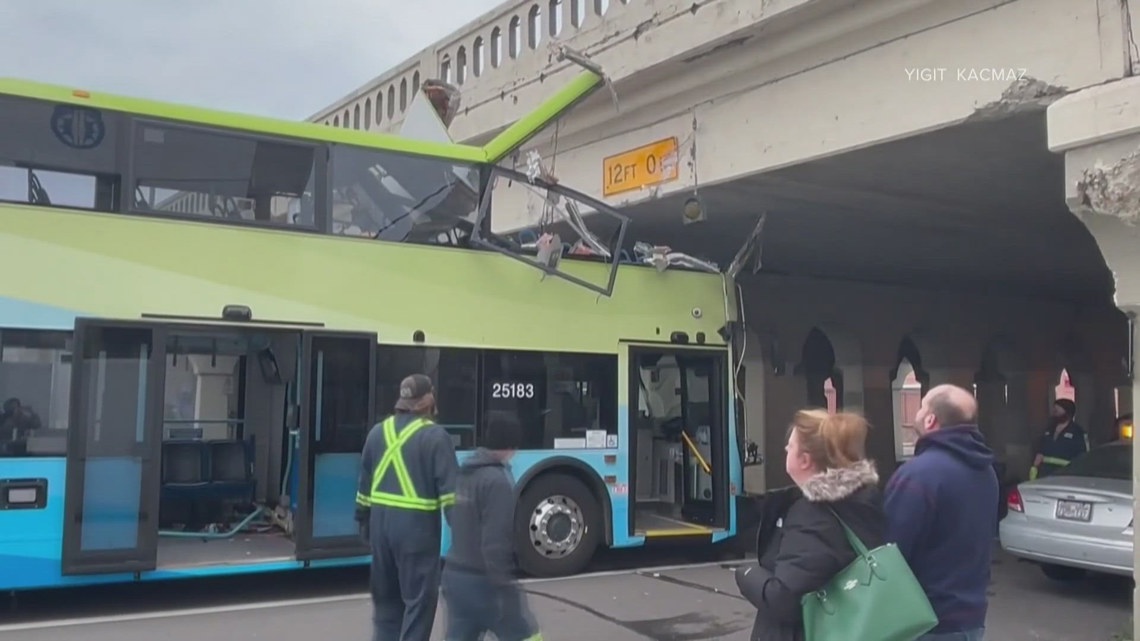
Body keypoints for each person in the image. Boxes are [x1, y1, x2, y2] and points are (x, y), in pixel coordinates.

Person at [734, 409, 885, 641]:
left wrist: (746, 574)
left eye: (791, 446)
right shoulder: (860, 500)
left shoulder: (814, 514)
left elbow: (785, 598)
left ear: (805, 460)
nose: (786, 449)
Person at [883, 384, 997, 641]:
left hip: (927, 620)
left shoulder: (918, 474)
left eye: (922, 406)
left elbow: (892, 552)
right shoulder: (986, 470)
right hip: (971, 616)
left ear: (930, 420)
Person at [355, 374, 460, 641]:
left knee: (387, 608)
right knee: (418, 604)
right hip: (416, 532)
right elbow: (451, 497)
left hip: (380, 531)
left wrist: (364, 522)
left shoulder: (377, 432)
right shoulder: (436, 437)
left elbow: (364, 488)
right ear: (427, 400)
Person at [441, 410, 542, 641]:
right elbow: (495, 542)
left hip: (455, 577)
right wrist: (504, 586)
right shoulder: (498, 481)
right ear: (511, 445)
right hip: (485, 583)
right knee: (526, 635)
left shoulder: (466, 473)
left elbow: (455, 520)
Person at [1029, 398, 1088, 480]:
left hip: (1066, 475)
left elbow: (1083, 455)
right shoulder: (1049, 429)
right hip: (1045, 474)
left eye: (1057, 410)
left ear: (1068, 412)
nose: (1054, 413)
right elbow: (1040, 448)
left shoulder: (1077, 432)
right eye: (1054, 410)